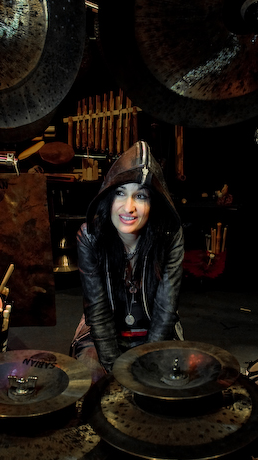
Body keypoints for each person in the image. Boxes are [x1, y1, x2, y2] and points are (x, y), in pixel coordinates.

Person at [70, 141, 184, 376]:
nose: (128, 207)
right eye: (120, 193)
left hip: (156, 330)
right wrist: (115, 371)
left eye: (140, 196)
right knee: (91, 379)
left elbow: (165, 309)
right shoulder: (90, 236)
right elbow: (98, 312)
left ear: (153, 203)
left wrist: (148, 366)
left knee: (169, 383)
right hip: (102, 333)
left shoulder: (170, 235)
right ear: (109, 197)